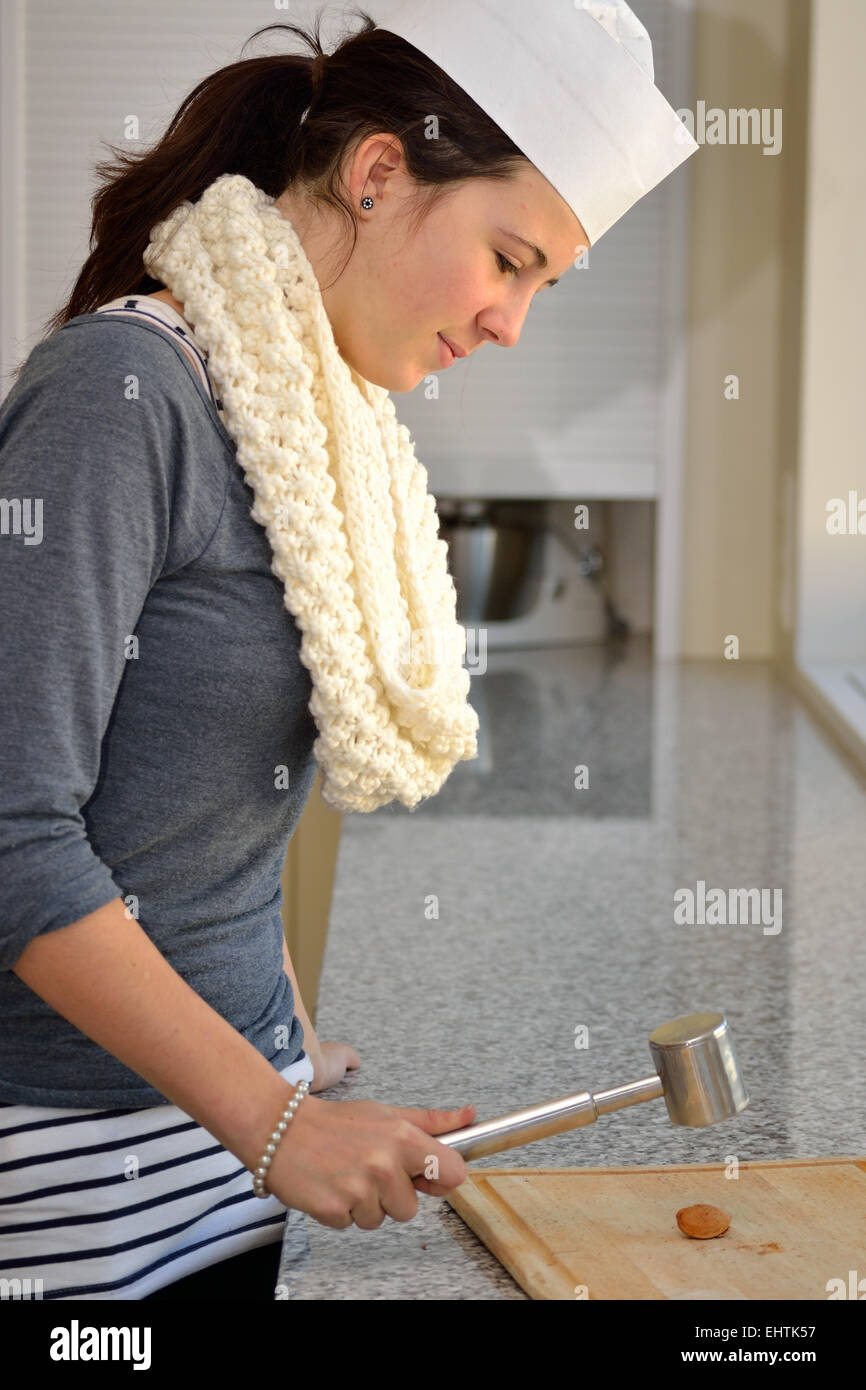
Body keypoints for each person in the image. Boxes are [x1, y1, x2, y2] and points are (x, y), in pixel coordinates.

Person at [0, 3, 697, 1299]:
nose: (511, 325)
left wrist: (283, 1046)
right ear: (379, 174)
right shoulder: (121, 398)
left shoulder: (319, 424)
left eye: (544, 282)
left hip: (223, 1120)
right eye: (508, 258)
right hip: (78, 1172)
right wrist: (273, 1122)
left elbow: (197, 811)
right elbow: (13, 829)